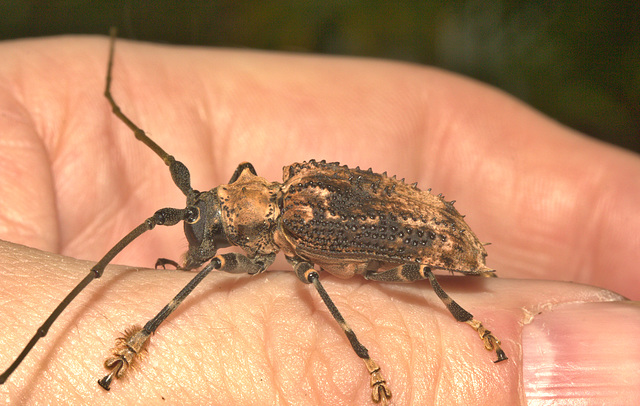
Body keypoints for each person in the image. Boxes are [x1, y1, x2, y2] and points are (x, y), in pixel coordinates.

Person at [0, 34, 638, 405]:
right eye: (204, 224)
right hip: (424, 215)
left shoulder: (298, 225)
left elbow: (322, 285)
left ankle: (464, 324)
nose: (202, 240)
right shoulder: (274, 189)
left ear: (235, 217)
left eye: (206, 227)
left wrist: (371, 363)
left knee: (406, 275)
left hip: (436, 239)